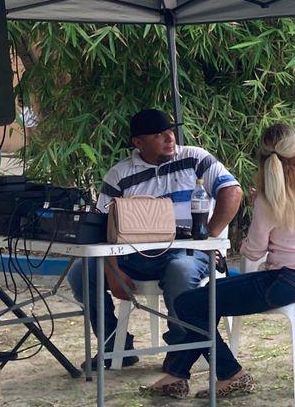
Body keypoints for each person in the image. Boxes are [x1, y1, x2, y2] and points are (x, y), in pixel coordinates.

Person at [145, 123, 295, 399]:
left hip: (286, 282)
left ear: (261, 157)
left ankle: (230, 374)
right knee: (204, 302)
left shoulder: (268, 197)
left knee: (189, 303)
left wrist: (257, 210)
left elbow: (253, 252)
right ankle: (177, 375)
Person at [69, 108, 242, 371]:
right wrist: (112, 268)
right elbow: (102, 226)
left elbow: (232, 191)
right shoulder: (119, 175)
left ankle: (179, 349)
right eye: (159, 134)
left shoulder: (195, 158)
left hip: (187, 250)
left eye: (170, 131)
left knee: (181, 271)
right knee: (80, 271)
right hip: (133, 254)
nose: (170, 137)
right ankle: (115, 344)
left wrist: (209, 236)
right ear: (138, 143)